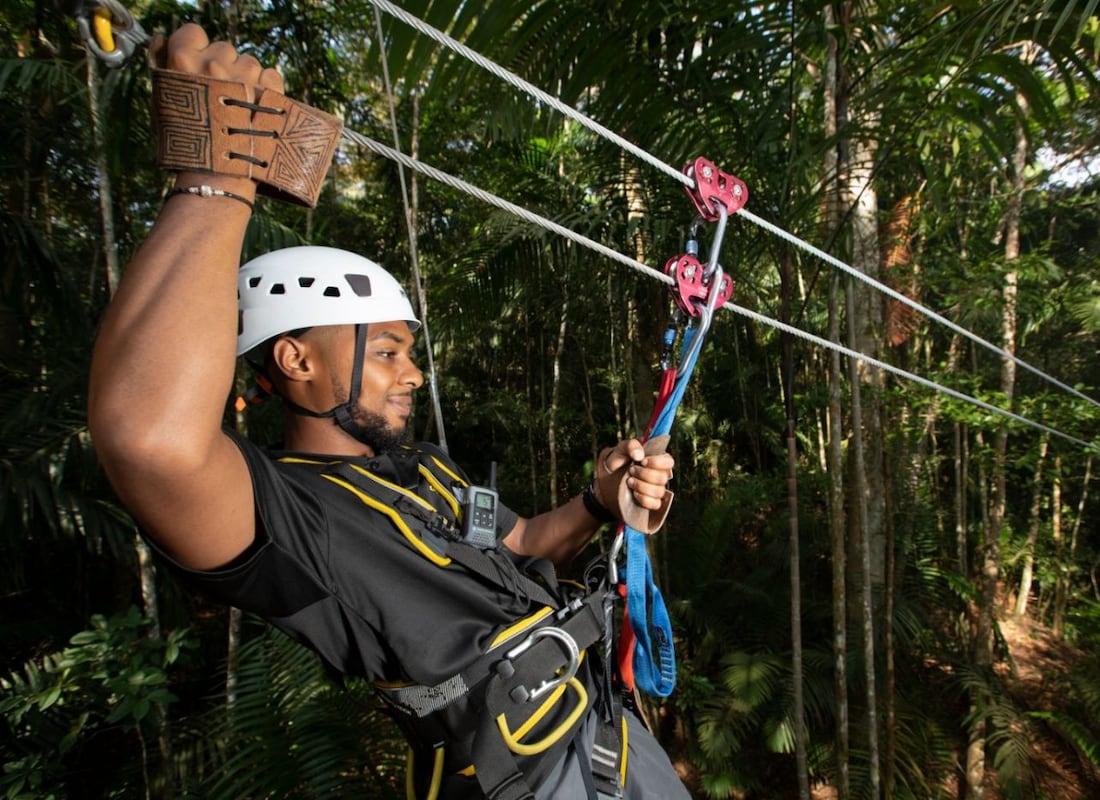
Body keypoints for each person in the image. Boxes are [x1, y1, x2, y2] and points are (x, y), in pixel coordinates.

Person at [88, 22, 691, 800]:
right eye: (385, 353)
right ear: (296, 361)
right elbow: (150, 441)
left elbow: (520, 542)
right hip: (526, 778)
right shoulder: (288, 515)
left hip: (607, 732)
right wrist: (218, 178)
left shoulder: (421, 469)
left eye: (409, 352)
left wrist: (596, 502)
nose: (411, 375)